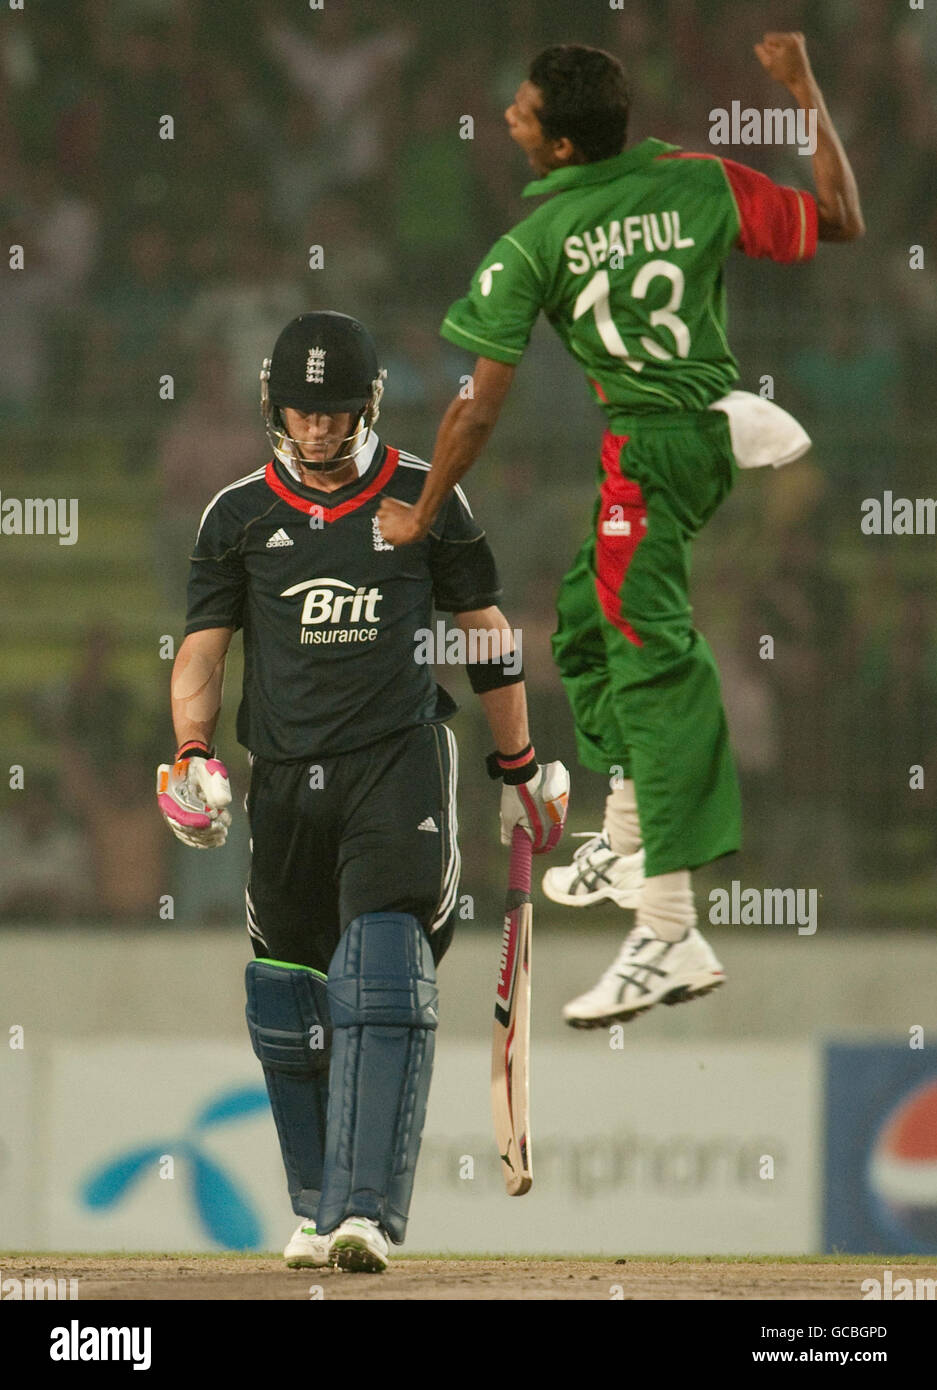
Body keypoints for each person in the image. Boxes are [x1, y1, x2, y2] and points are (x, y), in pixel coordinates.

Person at [377, 33, 863, 1029]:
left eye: (518, 110)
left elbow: (473, 412)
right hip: (681, 443)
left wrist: (423, 514)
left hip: (646, 453)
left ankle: (670, 930)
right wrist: (805, 92)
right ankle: (627, 832)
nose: (505, 116)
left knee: (654, 665)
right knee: (584, 619)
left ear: (557, 147)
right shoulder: (696, 180)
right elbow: (843, 218)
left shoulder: (532, 247)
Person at [156, 312, 568, 1273]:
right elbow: (204, 651)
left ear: (368, 406)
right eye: (301, 413)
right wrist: (189, 753)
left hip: (397, 765)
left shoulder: (430, 497)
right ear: (275, 408)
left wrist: (518, 770)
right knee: (283, 995)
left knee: (382, 975)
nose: (317, 431)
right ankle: (314, 1210)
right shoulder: (237, 515)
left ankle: (368, 1214)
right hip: (284, 784)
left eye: (336, 413)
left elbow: (485, 633)